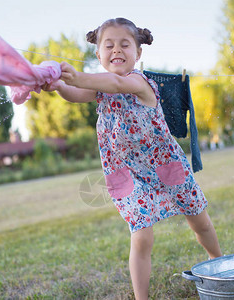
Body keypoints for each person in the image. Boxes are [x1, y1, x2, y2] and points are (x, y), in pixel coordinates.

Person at [43, 17, 222, 300]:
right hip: (128, 173)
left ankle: (218, 263)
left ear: (138, 53)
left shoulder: (140, 82)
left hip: (165, 164)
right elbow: (76, 94)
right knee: (141, 235)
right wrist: (59, 87)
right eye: (109, 45)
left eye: (125, 44)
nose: (116, 50)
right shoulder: (98, 87)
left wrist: (76, 75)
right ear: (99, 54)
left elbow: (115, 83)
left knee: (198, 218)